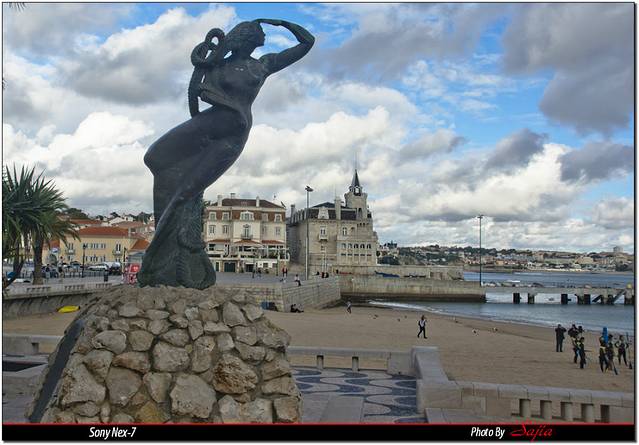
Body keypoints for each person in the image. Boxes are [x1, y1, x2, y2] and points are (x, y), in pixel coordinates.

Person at [137, 19, 314, 289]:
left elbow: (307, 42)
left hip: (233, 133)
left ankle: (161, 259)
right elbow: (197, 93)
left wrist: (281, 23)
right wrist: (205, 67)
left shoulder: (262, 65)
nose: (264, 34)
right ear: (247, 37)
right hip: (209, 123)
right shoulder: (217, 64)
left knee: (186, 192)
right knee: (155, 157)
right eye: (261, 31)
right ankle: (167, 252)